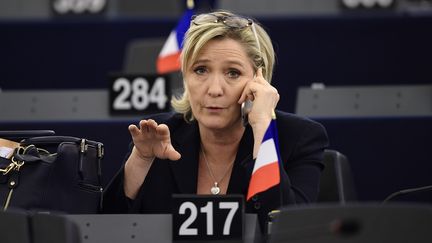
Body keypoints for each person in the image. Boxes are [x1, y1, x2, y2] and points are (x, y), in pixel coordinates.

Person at [103, 10, 329, 232]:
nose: (214, 90)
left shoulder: (299, 138)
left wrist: (263, 126)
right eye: (200, 70)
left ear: (259, 80)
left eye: (233, 73)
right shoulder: (160, 134)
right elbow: (105, 230)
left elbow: (290, 232)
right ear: (185, 77)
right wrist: (140, 161)